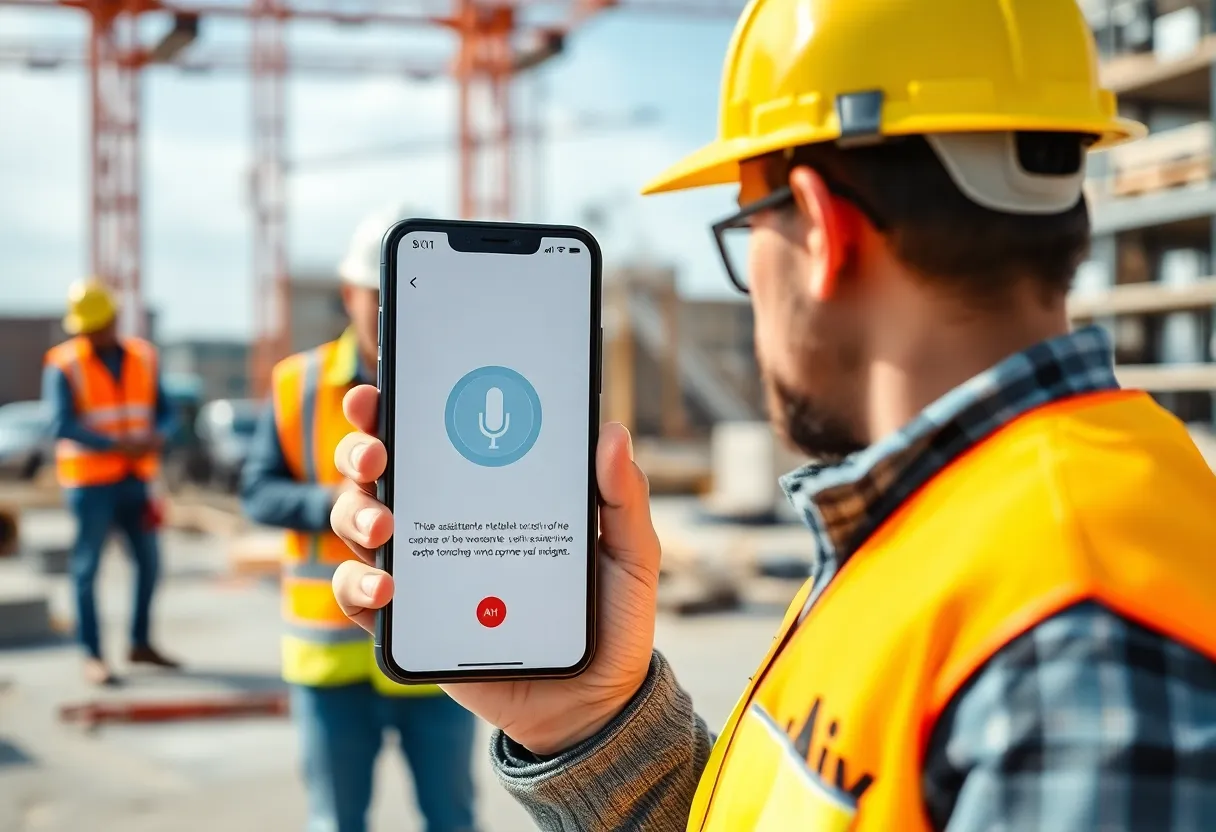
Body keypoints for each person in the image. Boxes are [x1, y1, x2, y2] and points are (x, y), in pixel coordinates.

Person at [327, 3, 1216, 830]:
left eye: (745, 231)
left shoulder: (1073, 648)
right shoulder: (969, 525)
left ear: (821, 233)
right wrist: (589, 725)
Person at [240, 205, 478, 832]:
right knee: (337, 821)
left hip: (438, 654)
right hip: (330, 655)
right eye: (379, 293)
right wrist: (342, 507)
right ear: (349, 293)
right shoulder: (298, 383)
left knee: (452, 819)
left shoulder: (468, 380)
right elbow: (257, 492)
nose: (393, 308)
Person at [43, 279, 181, 686]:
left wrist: (158, 435)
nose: (91, 334)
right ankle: (92, 655)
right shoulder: (63, 363)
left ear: (113, 320)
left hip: (136, 480)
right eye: (85, 328)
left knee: (150, 563)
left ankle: (140, 642)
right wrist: (116, 445)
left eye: (97, 326)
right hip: (90, 485)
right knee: (87, 568)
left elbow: (167, 411)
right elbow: (60, 423)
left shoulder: (143, 356)